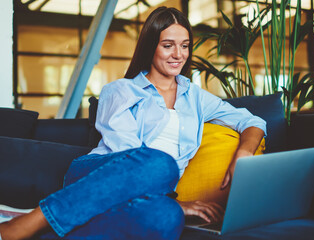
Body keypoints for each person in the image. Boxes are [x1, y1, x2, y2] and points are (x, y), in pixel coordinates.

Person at [0, 6, 266, 240]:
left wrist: (244, 153)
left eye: (184, 45)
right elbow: (126, 154)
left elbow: (251, 121)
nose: (178, 54)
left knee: (166, 218)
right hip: (97, 175)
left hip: (154, 195)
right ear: (151, 46)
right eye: (168, 45)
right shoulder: (121, 90)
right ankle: (26, 223)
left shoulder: (195, 97)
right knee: (160, 164)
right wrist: (176, 199)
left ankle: (44, 233)